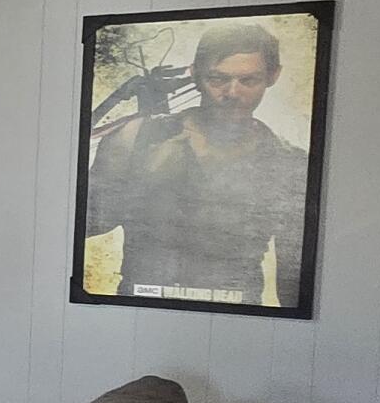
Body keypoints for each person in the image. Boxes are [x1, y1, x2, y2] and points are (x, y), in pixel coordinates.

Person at [82, 21, 308, 306]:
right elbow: (84, 227)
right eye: (218, 79)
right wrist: (143, 184)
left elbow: (294, 278)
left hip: (238, 319)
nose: (232, 93)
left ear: (273, 76)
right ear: (196, 74)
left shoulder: (288, 162)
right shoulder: (135, 139)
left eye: (248, 80)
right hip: (140, 313)